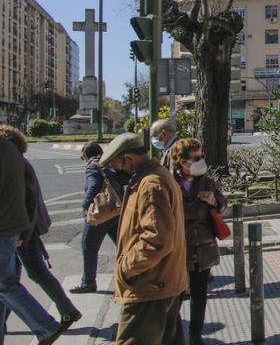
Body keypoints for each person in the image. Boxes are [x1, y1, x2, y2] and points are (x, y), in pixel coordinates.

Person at [102, 133, 187, 344]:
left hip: (149, 286)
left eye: (117, 164)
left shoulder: (150, 185)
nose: (117, 170)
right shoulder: (154, 177)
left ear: (129, 159)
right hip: (161, 282)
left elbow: (158, 239)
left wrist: (126, 269)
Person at [0, 126, 81, 332]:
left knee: (27, 275)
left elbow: (30, 200)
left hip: (22, 230)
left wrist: (24, 234)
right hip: (20, 228)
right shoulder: (17, 160)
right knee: (10, 281)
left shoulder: (18, 163)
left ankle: (63, 312)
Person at [169, 139, 226, 344]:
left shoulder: (206, 180)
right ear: (182, 161)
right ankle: (175, 336)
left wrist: (214, 200)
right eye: (196, 158)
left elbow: (222, 204)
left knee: (199, 295)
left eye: (202, 156)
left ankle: (195, 336)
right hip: (177, 245)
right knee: (174, 295)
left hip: (202, 244)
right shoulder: (169, 181)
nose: (201, 160)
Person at [70, 142, 126, 294]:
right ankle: (134, 276)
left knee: (88, 246)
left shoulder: (92, 166)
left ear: (86, 155)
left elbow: (93, 187)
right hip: (115, 211)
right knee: (124, 247)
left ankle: (88, 282)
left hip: (101, 214)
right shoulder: (107, 163)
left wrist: (86, 207)